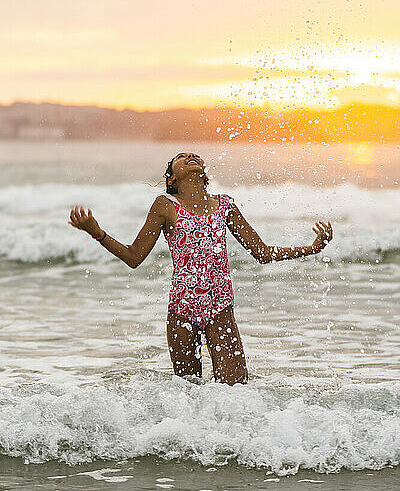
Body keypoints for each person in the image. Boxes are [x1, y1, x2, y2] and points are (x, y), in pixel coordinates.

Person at [68, 151, 333, 386]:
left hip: (220, 308)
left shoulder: (225, 205)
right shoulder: (165, 206)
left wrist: (311, 248)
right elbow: (134, 256)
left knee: (236, 391)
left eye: (195, 155)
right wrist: (96, 233)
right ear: (171, 178)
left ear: (204, 172)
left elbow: (262, 252)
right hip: (182, 308)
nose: (191, 156)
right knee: (188, 393)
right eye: (182, 157)